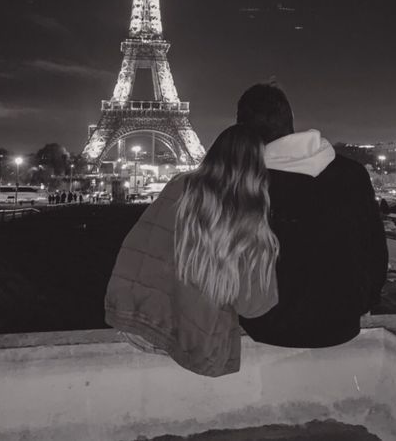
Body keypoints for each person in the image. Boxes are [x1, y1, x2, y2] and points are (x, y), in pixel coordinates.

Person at [104, 125, 280, 377]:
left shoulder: (179, 187)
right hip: (193, 340)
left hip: (137, 323)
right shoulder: (248, 216)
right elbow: (253, 306)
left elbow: (140, 250)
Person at [236, 82, 389, 349]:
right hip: (342, 323)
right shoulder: (352, 173)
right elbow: (376, 249)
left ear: (242, 130)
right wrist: (365, 301)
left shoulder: (246, 181)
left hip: (269, 326)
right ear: (291, 122)